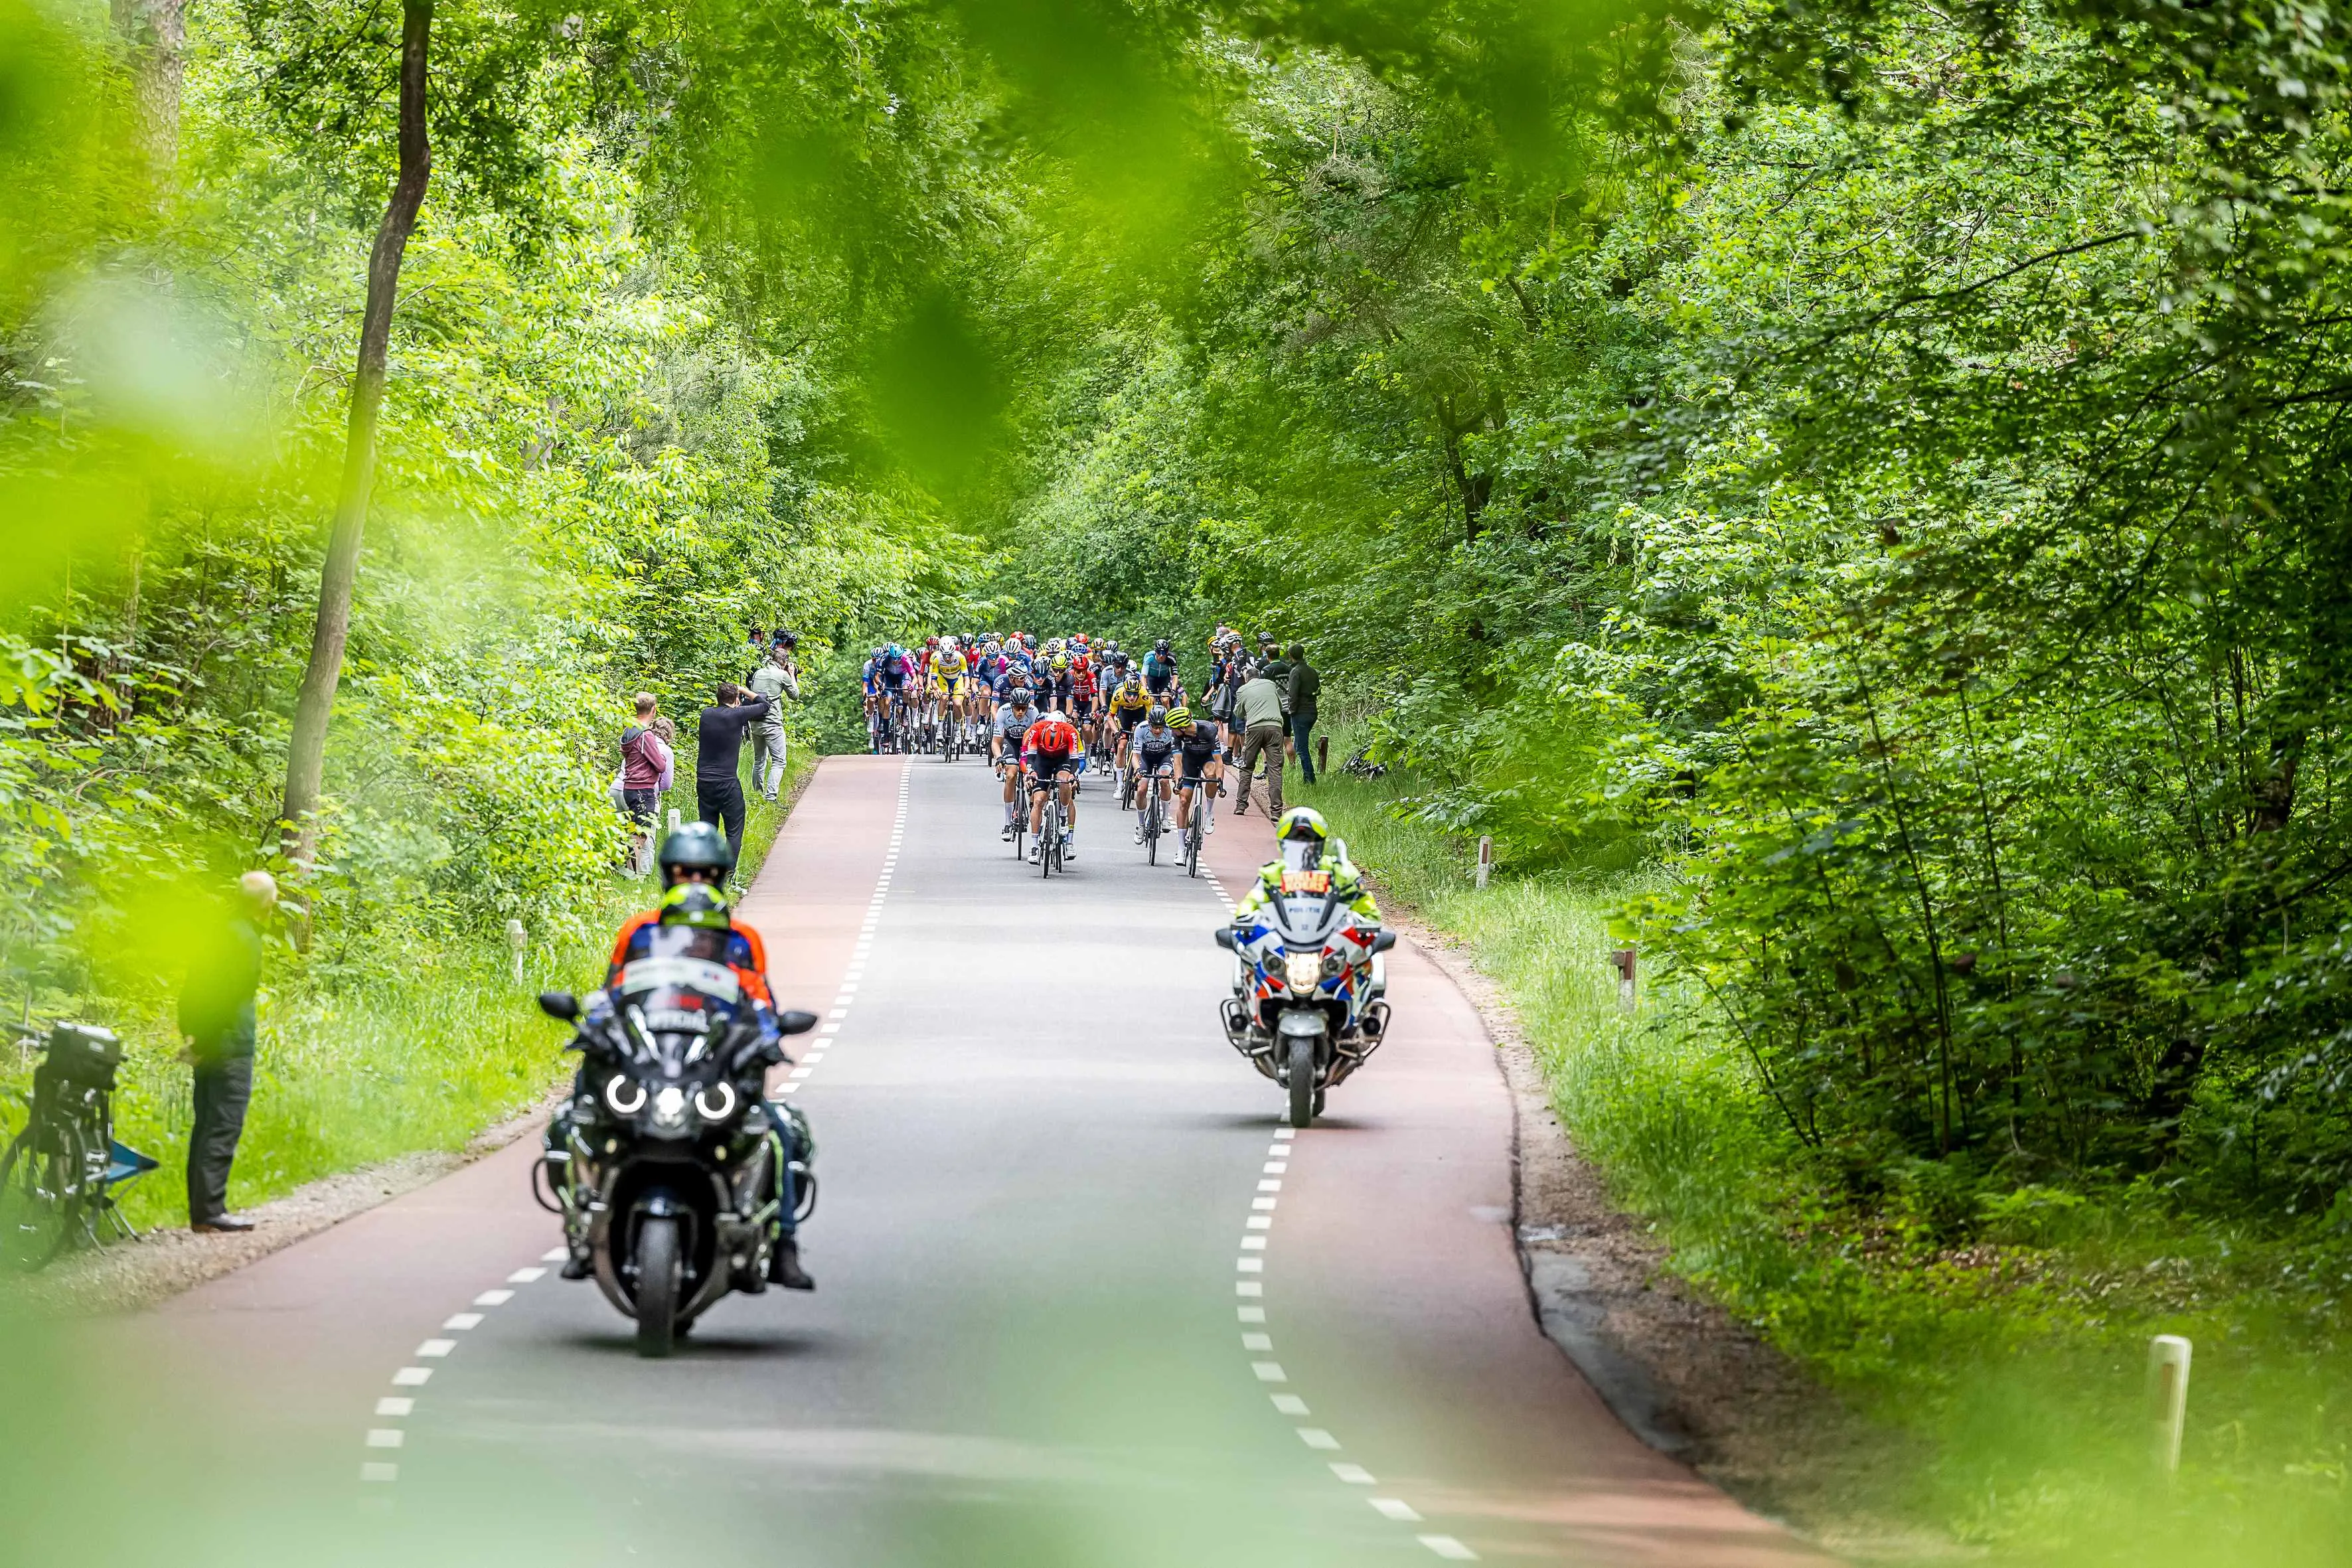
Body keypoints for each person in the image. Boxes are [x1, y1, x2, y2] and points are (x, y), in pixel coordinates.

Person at [597, 824, 814, 1289]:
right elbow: (613, 993)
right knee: (583, 1108)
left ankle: (784, 1246)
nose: (693, 882)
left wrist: (768, 1034)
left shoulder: (742, 939)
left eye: (704, 873)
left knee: (777, 1133)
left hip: (713, 1064)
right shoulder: (638, 931)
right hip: (653, 1057)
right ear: (666, 874)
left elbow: (760, 1002)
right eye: (682, 872)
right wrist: (596, 1026)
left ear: (718, 877)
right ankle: (586, 1218)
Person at [177, 870, 277, 1233]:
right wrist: (205, 1042)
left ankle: (202, 1211)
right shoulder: (247, 939)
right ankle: (210, 1213)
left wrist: (191, 1035)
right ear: (268, 903)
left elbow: (191, 989)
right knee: (223, 1126)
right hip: (229, 1046)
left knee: (205, 1125)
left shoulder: (217, 933)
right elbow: (229, 996)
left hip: (207, 1043)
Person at [1231, 807, 1380, 922]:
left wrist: (1367, 923)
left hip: (1331, 945)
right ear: (1282, 846)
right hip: (1284, 942)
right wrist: (1244, 918)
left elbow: (1364, 904)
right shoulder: (1272, 873)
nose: (1302, 848)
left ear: (1321, 844)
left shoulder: (1340, 871)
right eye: (1295, 843)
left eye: (1309, 842)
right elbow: (1253, 900)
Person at [696, 682, 773, 875]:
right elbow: (765, 705)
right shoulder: (738, 715)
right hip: (727, 783)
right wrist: (743, 689)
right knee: (734, 830)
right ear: (737, 700)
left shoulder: (706, 715)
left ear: (718, 698)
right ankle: (728, 875)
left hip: (704, 782)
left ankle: (708, 872)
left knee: (708, 831)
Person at [1022, 705, 1085, 862]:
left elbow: (1076, 761)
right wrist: (1031, 773)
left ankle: (1063, 816)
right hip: (1042, 760)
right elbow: (1030, 758)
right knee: (1038, 800)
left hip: (1063, 759)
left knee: (1065, 780)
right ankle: (1034, 846)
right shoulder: (1036, 730)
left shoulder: (1071, 732)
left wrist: (1074, 776)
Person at [1230, 659, 1289, 818]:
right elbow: (1280, 705)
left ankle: (1241, 806)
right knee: (1275, 769)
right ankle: (1276, 811)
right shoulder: (1271, 685)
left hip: (1255, 729)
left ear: (1247, 679)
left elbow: (1238, 714)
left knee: (1247, 766)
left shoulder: (1243, 689)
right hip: (1275, 728)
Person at [747, 637, 799, 801]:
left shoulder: (758, 673)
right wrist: (792, 675)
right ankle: (770, 797)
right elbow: (795, 696)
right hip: (773, 724)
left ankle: (756, 794)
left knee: (759, 760)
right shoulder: (783, 674)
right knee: (779, 761)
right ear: (784, 662)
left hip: (755, 721)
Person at [991, 683, 1040, 838]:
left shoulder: (1033, 713)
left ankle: (1034, 810)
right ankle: (1007, 823)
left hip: (1028, 743)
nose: (1020, 712)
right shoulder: (1003, 712)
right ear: (1011, 706)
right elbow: (996, 741)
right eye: (1017, 708)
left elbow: (1036, 741)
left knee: (1032, 775)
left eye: (1023, 708)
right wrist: (999, 758)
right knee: (1011, 774)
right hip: (1010, 741)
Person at [1168, 705, 1225, 838]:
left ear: (1182, 728)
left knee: (1211, 776)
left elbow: (1219, 762)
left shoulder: (1209, 729)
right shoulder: (1177, 735)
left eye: (1173, 728)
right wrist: (1178, 783)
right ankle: (1181, 848)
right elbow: (1177, 761)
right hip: (1189, 760)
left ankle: (1209, 812)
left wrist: (1219, 783)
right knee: (1183, 801)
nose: (1171, 731)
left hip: (1207, 758)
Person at [1131, 704, 1178, 842]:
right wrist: (1137, 770)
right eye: (1155, 727)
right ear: (1149, 723)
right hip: (1146, 757)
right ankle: (1141, 825)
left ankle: (1165, 818)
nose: (1158, 730)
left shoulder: (1171, 730)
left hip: (1165, 756)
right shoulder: (1141, 729)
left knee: (1164, 780)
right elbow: (1136, 755)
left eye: (1161, 727)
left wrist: (1176, 771)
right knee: (1141, 789)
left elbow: (1177, 755)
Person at [1285, 643, 1320, 785]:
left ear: (1290, 655)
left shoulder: (1296, 672)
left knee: (1302, 749)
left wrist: (1291, 711)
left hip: (1301, 712)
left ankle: (1309, 778)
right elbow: (1318, 689)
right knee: (1299, 745)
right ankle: (1308, 776)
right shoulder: (1312, 671)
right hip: (1312, 711)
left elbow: (1293, 694)